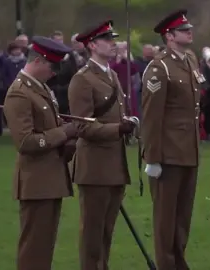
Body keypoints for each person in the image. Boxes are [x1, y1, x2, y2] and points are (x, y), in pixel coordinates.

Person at [3, 36, 78, 270]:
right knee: (34, 248)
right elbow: (25, 141)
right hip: (36, 181)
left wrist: (65, 141)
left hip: (49, 178)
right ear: (38, 61)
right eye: (52, 66)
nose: (55, 73)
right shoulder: (19, 93)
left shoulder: (40, 88)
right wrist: (63, 133)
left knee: (44, 246)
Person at [67, 20, 136, 270]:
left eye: (113, 39)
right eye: (107, 40)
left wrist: (127, 123)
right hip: (95, 167)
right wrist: (118, 128)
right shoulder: (82, 79)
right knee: (92, 234)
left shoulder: (112, 74)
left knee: (107, 230)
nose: (113, 44)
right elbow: (82, 127)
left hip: (115, 165)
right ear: (93, 45)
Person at [140, 9, 202, 270]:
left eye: (189, 29)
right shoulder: (159, 67)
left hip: (189, 151)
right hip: (168, 154)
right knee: (166, 219)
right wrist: (152, 157)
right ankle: (166, 264)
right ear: (169, 36)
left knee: (182, 217)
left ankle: (178, 262)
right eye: (183, 30)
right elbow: (152, 117)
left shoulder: (189, 61)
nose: (190, 32)